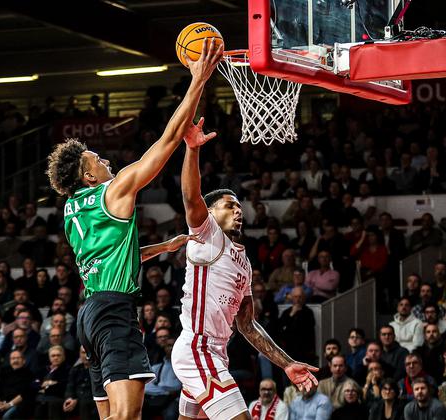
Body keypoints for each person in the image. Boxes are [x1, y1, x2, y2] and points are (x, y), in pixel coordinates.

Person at [47, 38, 222, 420]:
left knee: (111, 417)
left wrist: (161, 248)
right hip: (113, 311)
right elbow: (166, 141)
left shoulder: (71, 210)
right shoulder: (115, 188)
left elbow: (109, 255)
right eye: (97, 158)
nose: (105, 159)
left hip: (88, 316)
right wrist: (197, 80)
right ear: (88, 173)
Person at [172, 122, 318, 419]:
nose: (238, 211)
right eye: (229, 206)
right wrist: (192, 149)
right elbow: (191, 197)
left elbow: (248, 325)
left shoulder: (244, 262)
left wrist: (287, 363)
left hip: (217, 353)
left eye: (239, 207)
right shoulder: (206, 234)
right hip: (198, 349)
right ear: (211, 213)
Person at [33, 345, 68, 420]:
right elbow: (34, 384)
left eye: (58, 355)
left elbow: (61, 387)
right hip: (40, 399)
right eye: (53, 356)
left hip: (57, 398)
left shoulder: (67, 370)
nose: (55, 358)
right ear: (49, 358)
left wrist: (43, 387)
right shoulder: (43, 370)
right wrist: (51, 383)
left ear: (63, 356)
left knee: (50, 405)